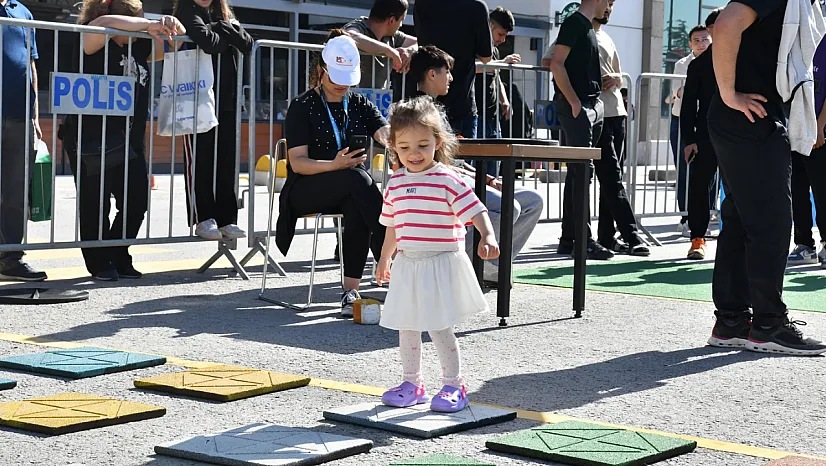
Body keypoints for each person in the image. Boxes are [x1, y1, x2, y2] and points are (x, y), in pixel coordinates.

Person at [706, 0, 825, 354]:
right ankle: (768, 324)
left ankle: (731, 321)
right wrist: (729, 94)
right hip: (749, 116)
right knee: (771, 223)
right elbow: (725, 25)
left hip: (746, 117)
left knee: (741, 220)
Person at [376, 96, 499, 413]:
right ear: (393, 147)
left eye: (422, 145)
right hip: (408, 263)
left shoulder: (447, 178)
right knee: (407, 326)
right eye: (404, 147)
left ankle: (454, 385)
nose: (413, 154)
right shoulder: (396, 182)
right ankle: (412, 383)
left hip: (440, 263)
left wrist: (487, 235)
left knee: (439, 327)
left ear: (437, 142)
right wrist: (385, 258)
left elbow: (476, 210)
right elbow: (392, 226)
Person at [60, 0, 185, 281]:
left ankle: (118, 252)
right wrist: (147, 25)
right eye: (136, 19)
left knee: (136, 200)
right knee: (96, 203)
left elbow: (173, 44)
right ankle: (98, 261)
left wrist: (170, 23)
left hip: (130, 138)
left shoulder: (138, 46)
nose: (141, 26)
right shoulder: (95, 36)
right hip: (90, 136)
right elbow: (104, 23)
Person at [409, 45, 544, 284]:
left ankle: (492, 266)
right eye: (447, 72)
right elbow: (438, 165)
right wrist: (484, 179)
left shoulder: (436, 109)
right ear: (431, 74)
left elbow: (453, 160)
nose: (451, 78)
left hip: (457, 176)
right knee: (508, 206)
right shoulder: (417, 112)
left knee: (533, 201)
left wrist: (489, 179)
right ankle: (468, 266)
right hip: (441, 181)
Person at [277, 32, 389, 316]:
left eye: (347, 79)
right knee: (357, 179)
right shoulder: (302, 106)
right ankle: (392, 259)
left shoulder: (359, 103)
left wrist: (402, 144)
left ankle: (351, 291)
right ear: (321, 70)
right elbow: (298, 163)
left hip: (350, 187)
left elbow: (384, 132)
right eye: (337, 77)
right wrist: (334, 165)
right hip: (306, 187)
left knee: (356, 201)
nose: (342, 85)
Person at [174, 0, 252, 241]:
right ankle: (203, 217)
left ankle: (227, 218)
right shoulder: (188, 11)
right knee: (201, 160)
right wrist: (227, 30)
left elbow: (247, 43)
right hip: (198, 99)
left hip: (227, 99)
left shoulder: (221, 13)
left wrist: (219, 27)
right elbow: (210, 43)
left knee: (227, 161)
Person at [546, 0, 614, 260]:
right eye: (608, 1)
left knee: (579, 174)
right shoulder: (574, 23)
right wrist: (575, 102)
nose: (609, 7)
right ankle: (583, 241)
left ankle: (569, 239)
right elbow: (556, 63)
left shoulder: (586, 26)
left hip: (591, 105)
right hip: (579, 106)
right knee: (582, 173)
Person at [591, 0, 649, 256]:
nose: (609, 8)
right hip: (597, 114)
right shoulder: (577, 32)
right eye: (607, 3)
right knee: (611, 175)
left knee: (611, 179)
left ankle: (607, 236)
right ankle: (631, 234)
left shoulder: (606, 37)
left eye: (613, 4)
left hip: (617, 113)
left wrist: (616, 78)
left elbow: (619, 75)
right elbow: (551, 61)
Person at [0, 0, 46, 281]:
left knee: (15, 193)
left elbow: (30, 64)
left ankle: (10, 258)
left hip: (20, 114)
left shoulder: (22, 12)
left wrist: (35, 114)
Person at [414, 0, 493, 138]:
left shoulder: (422, 3)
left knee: (424, 149)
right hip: (462, 102)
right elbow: (486, 57)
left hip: (427, 100)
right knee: (464, 152)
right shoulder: (476, 6)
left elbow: (423, 45)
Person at [681, 11, 722, 261]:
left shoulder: (743, 57)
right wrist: (689, 140)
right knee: (699, 187)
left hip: (739, 135)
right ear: (710, 29)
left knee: (739, 187)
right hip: (706, 135)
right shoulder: (698, 64)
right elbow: (688, 105)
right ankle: (697, 239)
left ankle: (741, 239)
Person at [787, 36, 826, 267]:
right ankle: (804, 245)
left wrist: (819, 127)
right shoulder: (790, 40)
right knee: (797, 192)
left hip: (819, 133)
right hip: (793, 131)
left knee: (822, 191)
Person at [668, 24, 710, 235]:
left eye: (705, 39)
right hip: (683, 121)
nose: (701, 44)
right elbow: (678, 92)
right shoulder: (683, 65)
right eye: (697, 41)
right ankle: (686, 216)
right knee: (685, 170)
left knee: (709, 173)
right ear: (690, 44)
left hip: (709, 122)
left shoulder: (720, 60)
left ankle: (707, 214)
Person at [344, 0, 417, 90]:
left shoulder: (392, 35)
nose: (401, 25)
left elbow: (417, 42)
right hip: (353, 97)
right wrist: (389, 51)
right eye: (401, 20)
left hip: (380, 98)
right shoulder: (359, 26)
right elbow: (349, 35)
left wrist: (409, 51)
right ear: (391, 20)